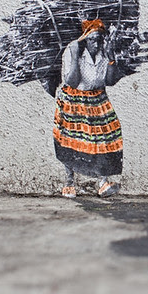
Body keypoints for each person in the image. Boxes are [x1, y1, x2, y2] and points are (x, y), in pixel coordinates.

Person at [53, 19, 123, 198]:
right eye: (92, 40)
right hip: (74, 98)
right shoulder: (73, 50)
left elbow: (110, 81)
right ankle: (69, 182)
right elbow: (72, 81)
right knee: (72, 139)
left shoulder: (104, 52)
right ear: (84, 39)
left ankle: (103, 182)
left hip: (97, 98)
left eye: (99, 39)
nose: (96, 44)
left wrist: (112, 59)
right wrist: (75, 56)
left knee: (106, 136)